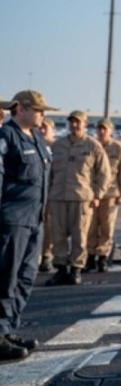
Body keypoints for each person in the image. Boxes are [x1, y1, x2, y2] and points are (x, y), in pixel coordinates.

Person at [0, 91, 55, 360]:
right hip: (12, 220)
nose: (43, 114)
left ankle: (9, 328)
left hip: (34, 221)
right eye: (38, 109)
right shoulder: (6, 136)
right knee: (5, 279)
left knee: (25, 278)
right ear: (20, 109)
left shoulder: (38, 139)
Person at [47, 110, 111, 286]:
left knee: (80, 236)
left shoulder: (93, 146)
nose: (74, 125)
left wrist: (97, 194)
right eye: (72, 122)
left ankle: (76, 269)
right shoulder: (57, 146)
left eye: (78, 122)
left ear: (85, 124)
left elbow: (104, 174)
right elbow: (49, 173)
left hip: (81, 198)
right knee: (57, 235)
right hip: (58, 197)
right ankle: (61, 269)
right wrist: (47, 195)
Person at [85, 118, 121, 273]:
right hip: (92, 194)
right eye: (99, 129)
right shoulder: (91, 146)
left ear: (110, 130)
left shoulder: (118, 149)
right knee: (90, 227)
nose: (101, 132)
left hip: (111, 193)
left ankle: (103, 257)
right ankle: (90, 256)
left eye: (104, 129)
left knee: (107, 227)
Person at [37, 119, 56, 273]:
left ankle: (47, 256)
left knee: (50, 227)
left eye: (45, 128)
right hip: (35, 193)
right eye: (40, 127)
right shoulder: (34, 144)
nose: (42, 130)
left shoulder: (59, 147)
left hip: (53, 193)